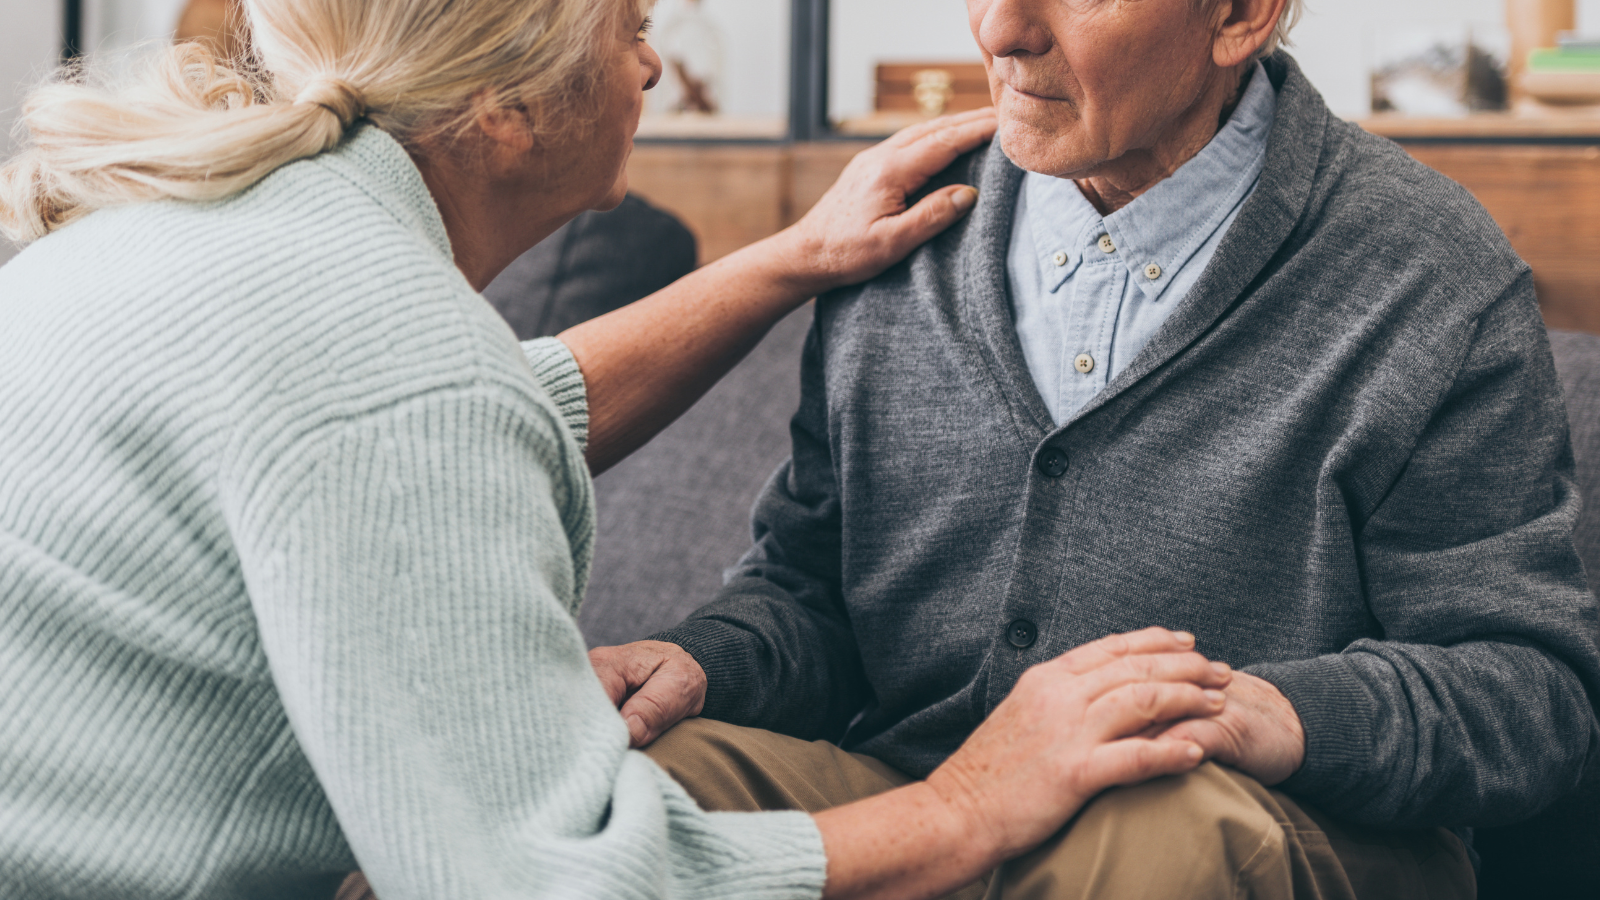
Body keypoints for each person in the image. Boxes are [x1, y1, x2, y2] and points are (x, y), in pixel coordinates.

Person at [0, 1, 1244, 898]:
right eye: (628, 27)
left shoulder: (201, 236)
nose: (651, 63)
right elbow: (551, 884)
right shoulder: (399, 371)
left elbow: (476, 414)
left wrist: (787, 260)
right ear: (505, 106)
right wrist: (967, 805)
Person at [592, 0, 1600, 896]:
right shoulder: (896, 226)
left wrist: (1269, 713)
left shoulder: (1429, 271)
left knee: (1159, 819)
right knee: (630, 781)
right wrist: (700, 659)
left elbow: (1529, 694)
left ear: (1239, 16)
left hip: (1259, 821)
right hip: (919, 798)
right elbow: (811, 588)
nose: (1000, 29)